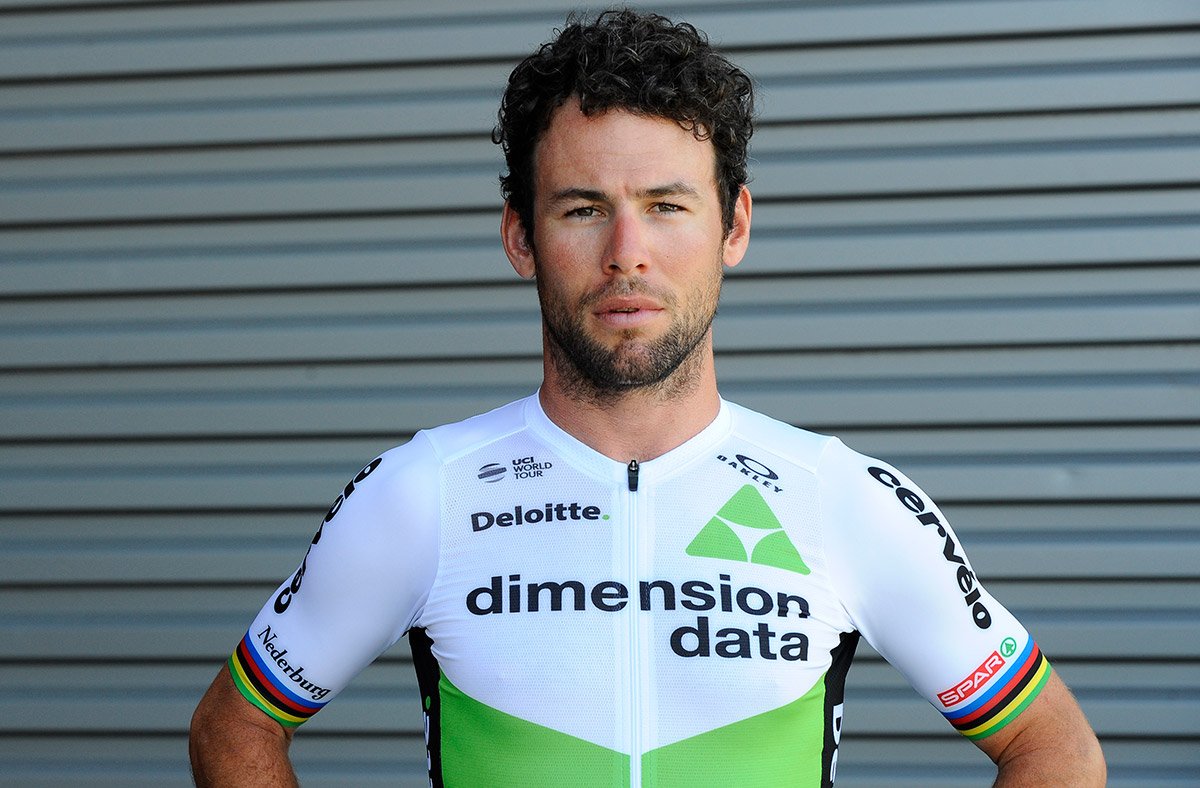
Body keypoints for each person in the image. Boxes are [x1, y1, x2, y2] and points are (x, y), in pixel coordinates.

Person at [189, 9, 1105, 787]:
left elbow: (1053, 748)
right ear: (520, 237)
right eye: (583, 208)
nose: (627, 252)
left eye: (667, 205)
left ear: (733, 227)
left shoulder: (842, 497)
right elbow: (233, 726)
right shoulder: (423, 490)